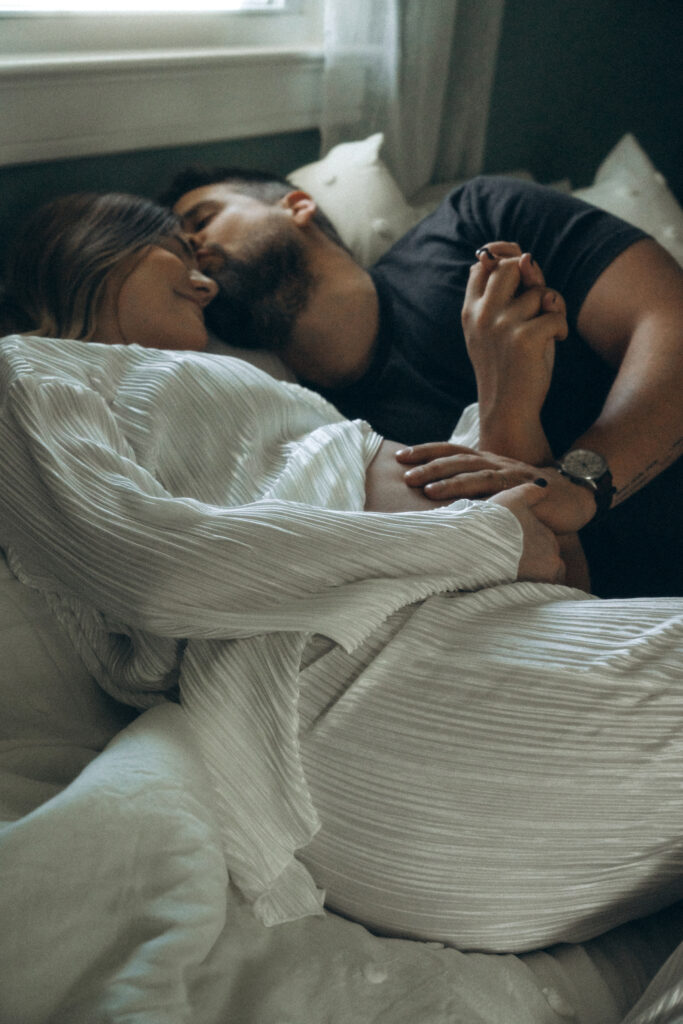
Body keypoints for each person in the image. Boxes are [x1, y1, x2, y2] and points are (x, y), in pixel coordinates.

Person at [1, 192, 682, 955]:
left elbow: (552, 583)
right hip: (344, 685)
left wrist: (504, 408)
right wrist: (482, 540)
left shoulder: (253, 389)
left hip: (445, 678)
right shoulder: (25, 369)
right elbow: (153, 573)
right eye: (174, 247)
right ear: (94, 241)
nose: (202, 283)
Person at [162, 168, 683, 600]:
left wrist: (581, 483)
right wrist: (506, 416)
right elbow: (546, 590)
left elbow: (671, 323)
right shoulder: (315, 446)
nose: (193, 251)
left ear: (297, 206)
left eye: (202, 221)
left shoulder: (475, 227)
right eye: (180, 257)